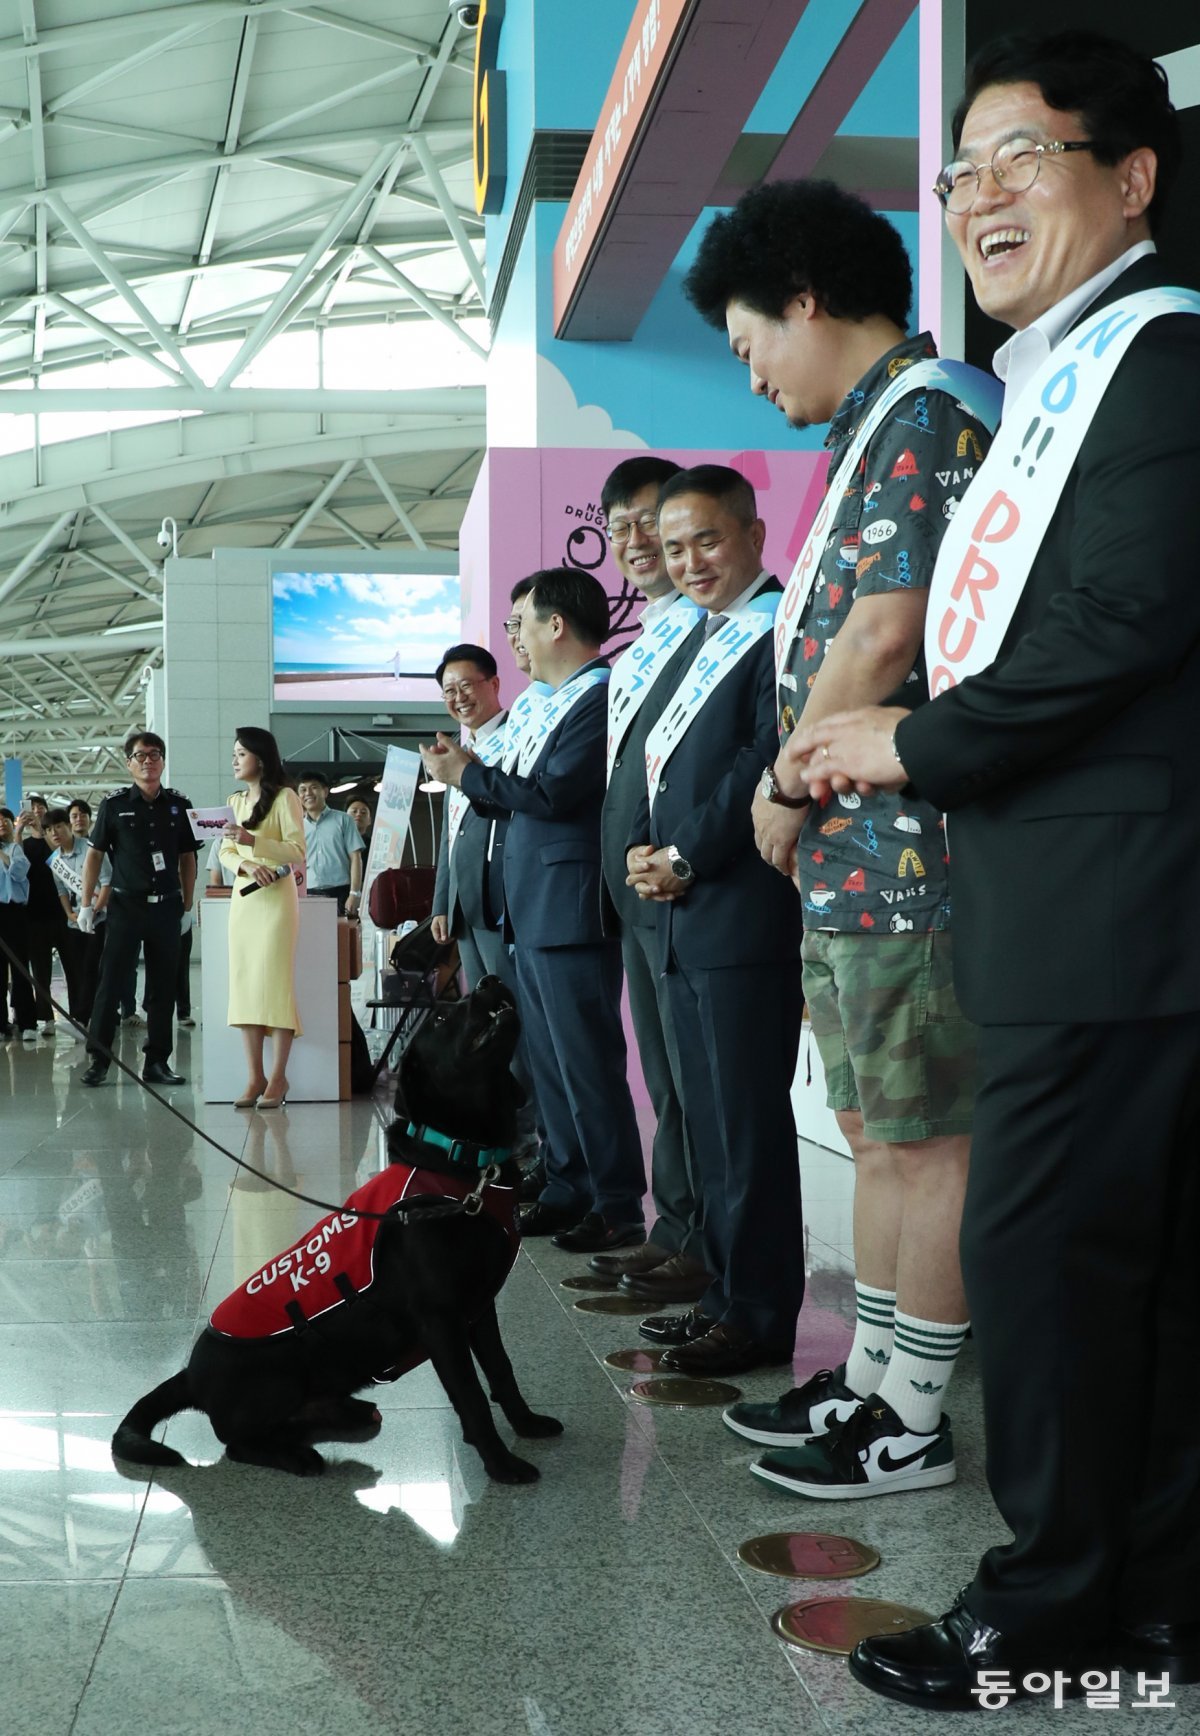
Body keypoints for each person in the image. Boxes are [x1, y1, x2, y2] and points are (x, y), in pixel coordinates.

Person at [788, 28, 1200, 1709]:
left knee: (1047, 1254)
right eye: (963, 169)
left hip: (1118, 905)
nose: (982, 195)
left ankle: (1052, 1602)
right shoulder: (1062, 372)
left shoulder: (1159, 364)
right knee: (1128, 1266)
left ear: (1133, 177)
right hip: (1070, 893)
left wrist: (909, 741)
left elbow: (1130, 616)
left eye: (1024, 155)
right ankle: (1152, 1590)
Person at [682, 178, 1001, 1494]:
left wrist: (785, 781)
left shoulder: (928, 417)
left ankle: (913, 1415)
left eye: (750, 342)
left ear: (806, 301)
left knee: (921, 1136)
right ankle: (867, 1381)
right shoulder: (876, 429)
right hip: (859, 865)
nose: (751, 375)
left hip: (907, 858)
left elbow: (884, 630)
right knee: (877, 1130)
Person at [624, 466, 805, 1376]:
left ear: (752, 535)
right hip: (685, 914)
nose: (690, 561)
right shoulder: (701, 636)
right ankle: (724, 1294)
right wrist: (650, 854)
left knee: (747, 1126)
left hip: (740, 911)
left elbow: (760, 760)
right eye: (676, 544)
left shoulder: (774, 627)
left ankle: (761, 1313)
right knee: (709, 1119)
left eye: (709, 541)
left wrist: (685, 852)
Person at [422, 569, 646, 1252]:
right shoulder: (546, 703)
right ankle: (567, 1184)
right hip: (530, 905)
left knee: (585, 1059)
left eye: (520, 622)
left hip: (570, 906)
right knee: (549, 1061)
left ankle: (615, 1202)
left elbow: (552, 792)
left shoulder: (594, 698)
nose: (513, 636)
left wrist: (467, 774)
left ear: (556, 625)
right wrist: (474, 777)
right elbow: (513, 796)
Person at [596, 455, 711, 1304]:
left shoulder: (714, 628)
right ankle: (672, 1225)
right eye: (621, 528)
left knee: (693, 1078)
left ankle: (699, 1239)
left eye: (648, 522)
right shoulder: (646, 638)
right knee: (665, 1078)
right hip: (634, 889)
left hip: (682, 884)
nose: (636, 542)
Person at [429, 643, 537, 1156]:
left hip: (502, 905)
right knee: (487, 1024)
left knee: (514, 1024)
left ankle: (530, 1140)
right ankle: (500, 1133)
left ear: (495, 682)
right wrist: (440, 903)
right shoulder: (455, 747)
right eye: (449, 691)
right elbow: (450, 836)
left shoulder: (519, 738)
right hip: (466, 911)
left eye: (467, 685)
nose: (459, 697)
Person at [79, 730, 198, 1088]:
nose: (149, 760)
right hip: (125, 906)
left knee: (164, 985)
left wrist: (187, 906)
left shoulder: (179, 804)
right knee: (111, 982)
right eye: (141, 755)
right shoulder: (113, 805)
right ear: (129, 762)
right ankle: (99, 1059)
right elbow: (94, 856)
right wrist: (86, 904)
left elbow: (188, 858)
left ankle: (157, 1062)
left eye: (155, 754)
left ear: (162, 760)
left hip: (166, 907)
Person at [219, 728, 305, 1109]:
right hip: (245, 899)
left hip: (276, 902)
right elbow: (224, 851)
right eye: (234, 754)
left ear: (261, 758)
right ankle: (254, 1076)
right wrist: (247, 863)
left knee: (274, 983)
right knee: (245, 985)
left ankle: (278, 1076)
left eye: (241, 753)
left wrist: (254, 842)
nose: (235, 760)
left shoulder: (286, 797)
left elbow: (296, 848)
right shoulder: (234, 801)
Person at [44, 807, 111, 1027]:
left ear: (69, 826)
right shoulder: (56, 860)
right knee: (77, 969)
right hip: (74, 921)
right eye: (49, 830)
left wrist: (95, 910)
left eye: (59, 827)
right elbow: (62, 891)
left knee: (93, 967)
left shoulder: (91, 849)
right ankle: (82, 1017)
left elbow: (107, 883)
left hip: (99, 918)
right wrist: (69, 914)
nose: (55, 833)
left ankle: (84, 1019)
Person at [17, 803, 78, 1037]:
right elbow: (18, 864)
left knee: (73, 968)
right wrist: (21, 831)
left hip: (62, 914)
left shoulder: (54, 842)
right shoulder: (25, 844)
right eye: (31, 810)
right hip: (34, 917)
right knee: (40, 972)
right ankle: (46, 1018)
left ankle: (79, 1015)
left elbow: (58, 859)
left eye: (40, 808)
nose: (36, 813)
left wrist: (43, 833)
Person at [297, 771, 363, 917]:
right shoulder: (297, 826)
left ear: (325, 792)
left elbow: (356, 858)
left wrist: (354, 893)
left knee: (340, 937)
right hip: (307, 893)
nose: (308, 793)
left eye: (314, 787)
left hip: (340, 892)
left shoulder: (344, 820)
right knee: (311, 938)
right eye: (303, 789)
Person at [0, 807, 36, 1040]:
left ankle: (26, 1022)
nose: (1, 823)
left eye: (5, 820)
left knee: (21, 967)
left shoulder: (16, 849)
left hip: (14, 913)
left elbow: (19, 873)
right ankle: (1, 1023)